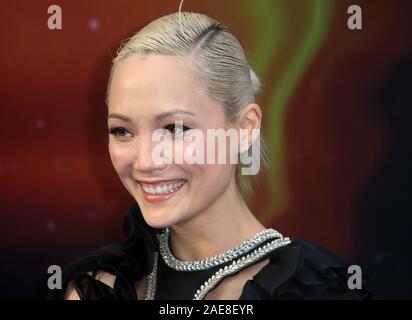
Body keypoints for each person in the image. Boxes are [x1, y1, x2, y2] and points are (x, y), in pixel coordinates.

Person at [47, 12, 370, 300]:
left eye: (175, 128)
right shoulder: (100, 286)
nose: (145, 161)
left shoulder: (314, 289)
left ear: (244, 127)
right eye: (122, 131)